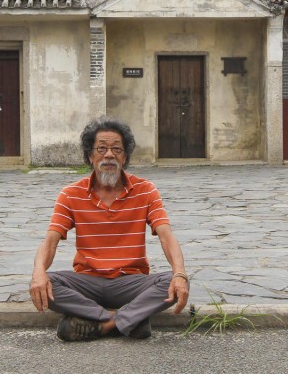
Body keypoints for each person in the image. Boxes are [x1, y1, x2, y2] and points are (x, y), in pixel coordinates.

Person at [29, 116, 189, 341]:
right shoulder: (70, 194)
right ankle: (127, 320)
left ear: (125, 157)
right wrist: (38, 273)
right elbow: (50, 241)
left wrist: (180, 274)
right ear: (90, 155)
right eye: (101, 148)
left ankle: (102, 324)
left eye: (116, 149)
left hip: (130, 281)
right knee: (46, 283)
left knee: (170, 283)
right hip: (87, 281)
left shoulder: (146, 190)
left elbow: (166, 237)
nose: (109, 155)